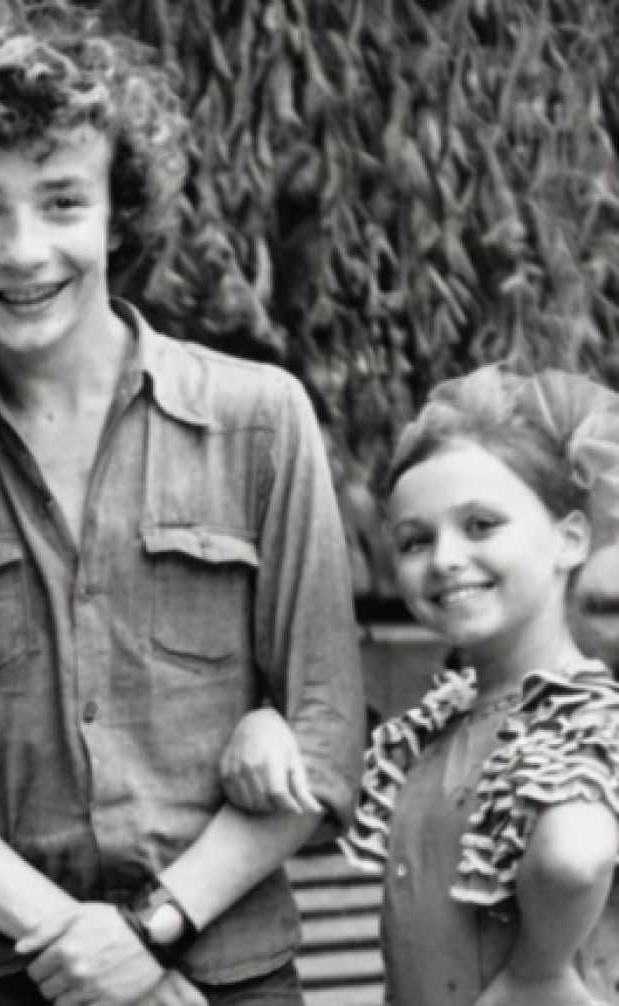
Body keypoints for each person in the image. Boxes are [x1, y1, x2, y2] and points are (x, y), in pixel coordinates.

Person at [0, 3, 368, 1004]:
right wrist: (85, 949)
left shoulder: (259, 421)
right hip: (0, 973)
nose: (23, 250)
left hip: (223, 972)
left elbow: (327, 732)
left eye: (62, 202)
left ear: (116, 215)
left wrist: (153, 929)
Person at [233, 366, 619, 1006]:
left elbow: (575, 858)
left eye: (481, 525)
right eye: (415, 540)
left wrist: (538, 970)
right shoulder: (442, 723)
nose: (444, 559)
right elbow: (328, 809)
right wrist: (262, 723)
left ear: (570, 539)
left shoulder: (587, 717)